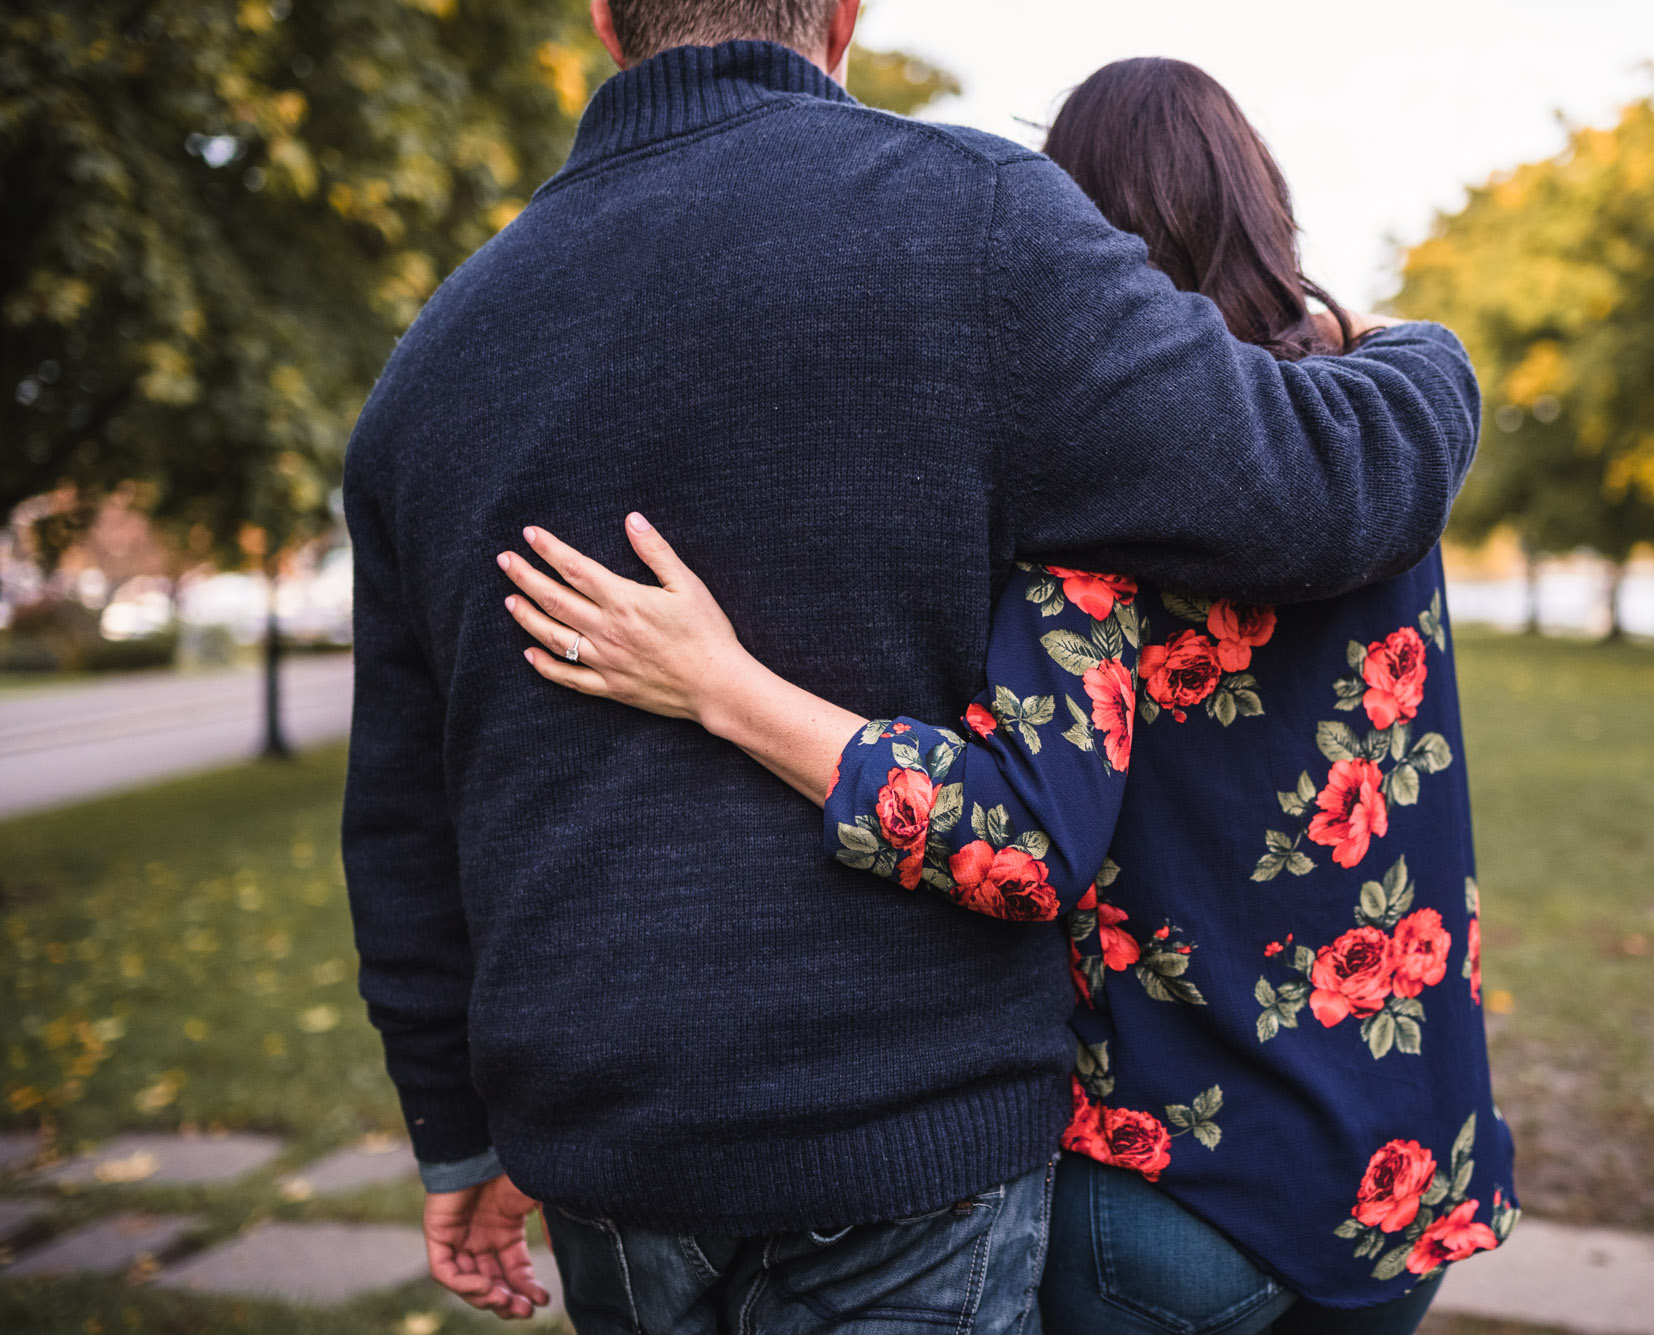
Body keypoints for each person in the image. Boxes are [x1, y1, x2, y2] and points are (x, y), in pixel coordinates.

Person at [341, 0, 1481, 1328]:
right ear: (842, 15)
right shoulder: (980, 223)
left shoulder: (431, 364)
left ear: (603, 20)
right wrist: (1429, 356)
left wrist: (456, 1136)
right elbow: (1317, 483)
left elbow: (402, 821)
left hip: (606, 1137)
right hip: (915, 1131)